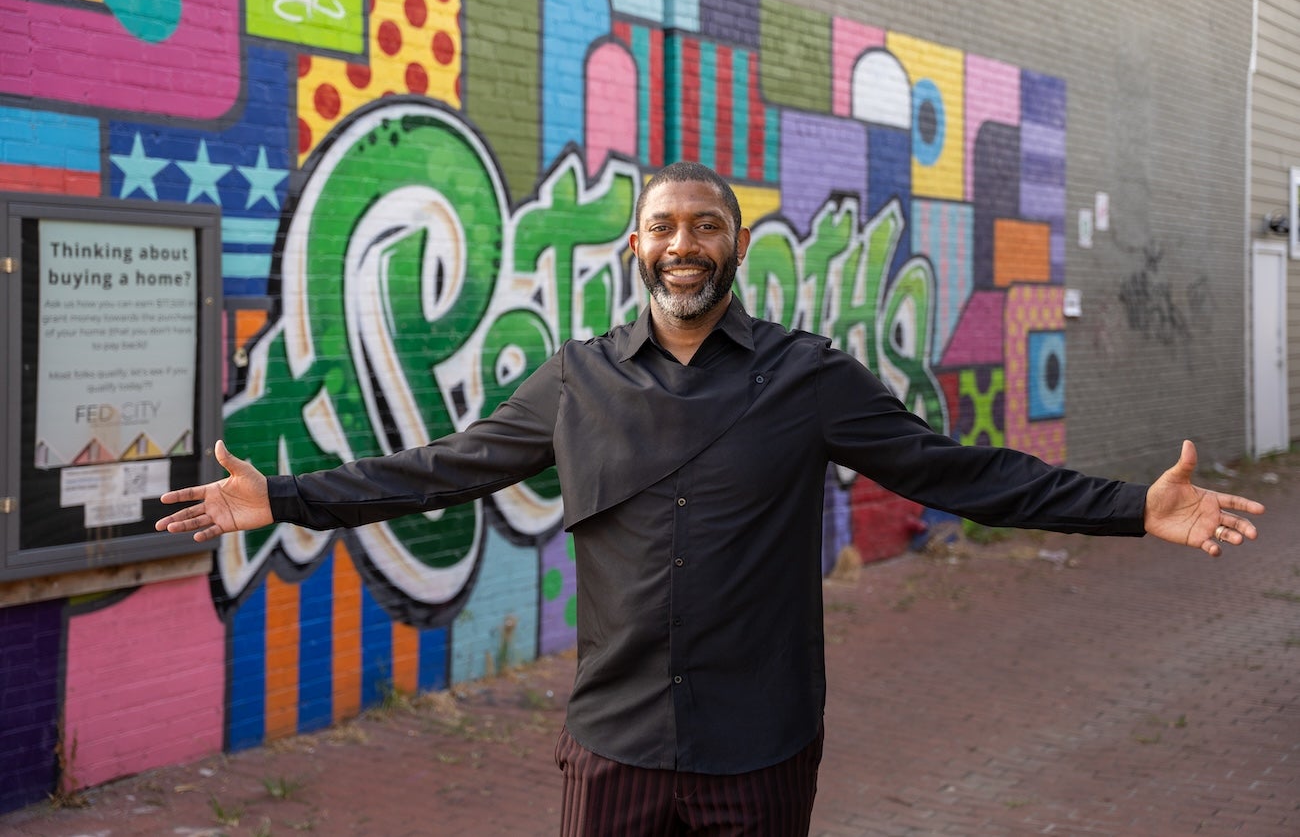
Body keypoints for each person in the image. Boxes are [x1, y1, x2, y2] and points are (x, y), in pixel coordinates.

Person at [157, 161, 1265, 837]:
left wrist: (1132, 507)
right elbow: (440, 469)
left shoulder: (809, 377)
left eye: (706, 226)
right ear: (632, 244)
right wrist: (285, 497)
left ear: (734, 246)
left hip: (762, 742)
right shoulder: (574, 379)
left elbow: (958, 470)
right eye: (665, 226)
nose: (683, 243)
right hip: (614, 742)